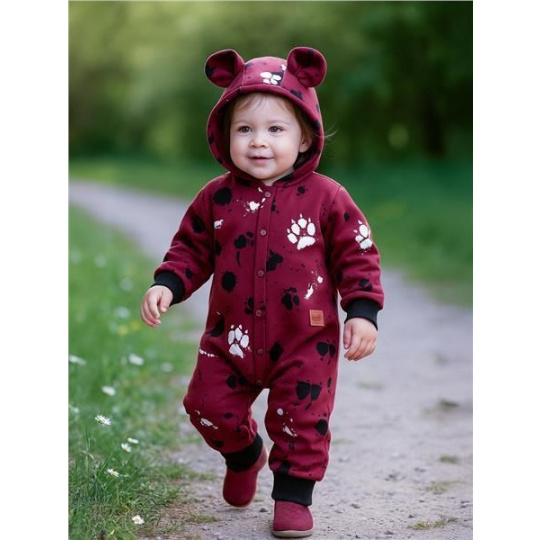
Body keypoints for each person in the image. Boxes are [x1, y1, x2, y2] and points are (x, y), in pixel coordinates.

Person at [140, 47, 384, 538]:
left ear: (304, 136)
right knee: (206, 405)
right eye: (244, 129)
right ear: (223, 135)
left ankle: (292, 498)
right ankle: (244, 455)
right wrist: (167, 283)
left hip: (304, 338)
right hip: (230, 337)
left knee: (302, 418)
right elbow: (190, 248)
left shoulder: (327, 198)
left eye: (275, 129)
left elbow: (357, 254)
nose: (258, 141)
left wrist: (361, 310)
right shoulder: (216, 198)